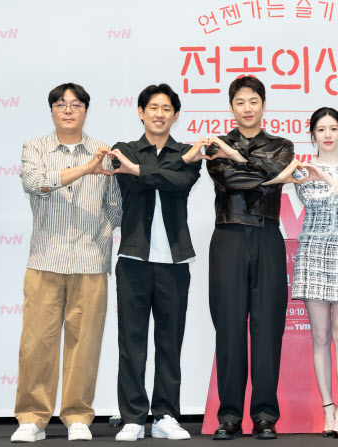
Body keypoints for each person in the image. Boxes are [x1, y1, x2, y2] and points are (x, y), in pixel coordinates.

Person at [13, 82, 121, 442]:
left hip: (90, 262)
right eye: (61, 104)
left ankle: (77, 417)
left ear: (86, 110)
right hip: (45, 259)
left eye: (76, 104)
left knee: (84, 345)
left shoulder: (104, 151)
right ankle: (32, 419)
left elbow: (115, 207)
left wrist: (102, 237)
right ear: (52, 111)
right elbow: (35, 183)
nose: (69, 109)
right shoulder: (36, 147)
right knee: (36, 344)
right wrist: (86, 169)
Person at [205, 76, 299, 440]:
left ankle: (264, 415)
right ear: (231, 106)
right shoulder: (216, 145)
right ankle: (229, 415)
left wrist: (240, 162)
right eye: (240, 102)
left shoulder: (282, 145)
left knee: (267, 327)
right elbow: (233, 182)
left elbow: (276, 172)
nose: (247, 108)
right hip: (228, 236)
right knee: (229, 327)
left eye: (253, 101)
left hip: (267, 235)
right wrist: (259, 172)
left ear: (263, 104)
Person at [109, 84, 203, 441]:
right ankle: (133, 417)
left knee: (169, 341)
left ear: (175, 115)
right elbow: (133, 185)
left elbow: (181, 184)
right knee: (131, 341)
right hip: (133, 257)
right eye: (153, 107)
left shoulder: (188, 153)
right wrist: (141, 169)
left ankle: (165, 415)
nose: (159, 114)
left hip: (174, 261)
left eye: (166, 108)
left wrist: (142, 170)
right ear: (141, 112)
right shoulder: (124, 149)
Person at [290, 107, 338, 438]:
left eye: (333, 128)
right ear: (312, 134)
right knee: (321, 335)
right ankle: (327, 408)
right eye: (321, 129)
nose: (327, 135)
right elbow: (313, 201)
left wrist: (332, 182)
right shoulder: (301, 170)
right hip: (313, 254)